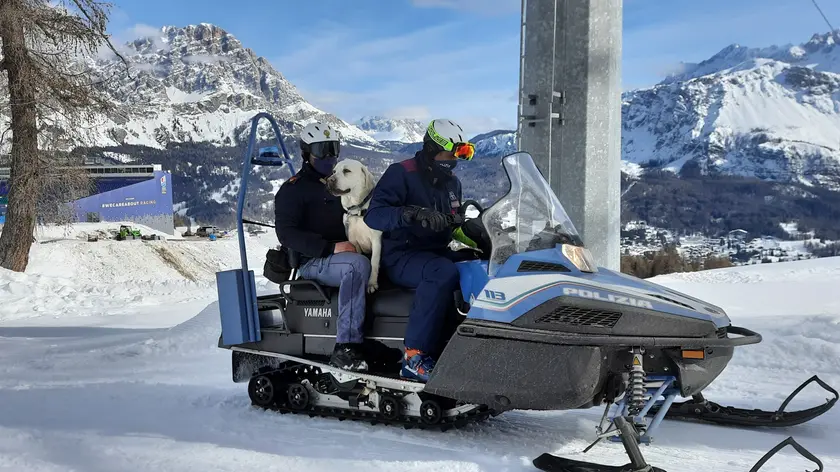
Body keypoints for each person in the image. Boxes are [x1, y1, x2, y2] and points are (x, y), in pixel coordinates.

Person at [363, 118, 476, 382]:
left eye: (461, 153)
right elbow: (374, 216)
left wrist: (478, 237)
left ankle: (461, 344)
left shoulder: (452, 183)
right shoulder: (402, 173)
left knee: (475, 264)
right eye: (453, 152)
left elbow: (454, 224)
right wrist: (410, 214)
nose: (455, 160)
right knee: (441, 272)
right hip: (401, 255)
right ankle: (414, 356)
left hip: (434, 251)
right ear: (432, 148)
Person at [274, 121, 370, 372]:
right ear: (307, 153)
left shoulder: (343, 183)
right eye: (322, 150)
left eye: (333, 149)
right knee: (357, 266)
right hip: (313, 261)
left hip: (345, 252)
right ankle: (345, 347)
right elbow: (286, 234)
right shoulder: (294, 190)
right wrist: (329, 248)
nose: (329, 156)